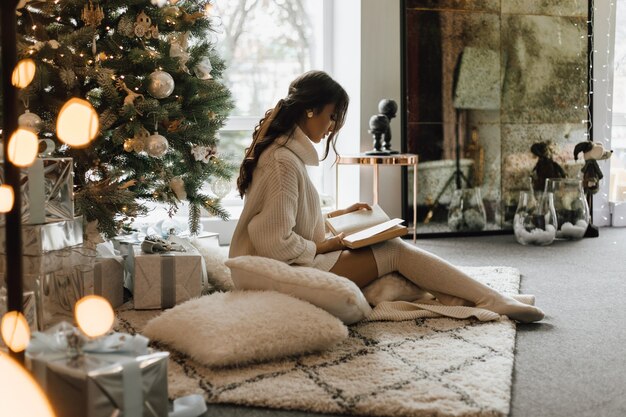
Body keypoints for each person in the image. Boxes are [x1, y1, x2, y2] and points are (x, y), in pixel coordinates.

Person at [229, 70, 544, 323]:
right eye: (332, 115)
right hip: (283, 274)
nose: (332, 126)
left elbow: (289, 220)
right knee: (392, 250)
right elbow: (275, 243)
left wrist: (340, 216)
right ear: (310, 109)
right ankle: (489, 298)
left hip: (295, 263)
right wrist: (330, 244)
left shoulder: (285, 156)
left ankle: (475, 295)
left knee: (384, 246)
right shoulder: (283, 163)